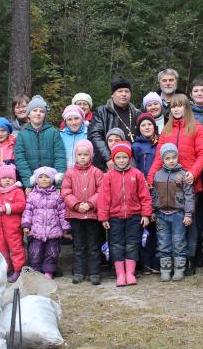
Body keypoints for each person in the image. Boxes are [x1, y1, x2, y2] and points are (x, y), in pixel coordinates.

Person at [147, 94, 203, 274]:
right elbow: (159, 157)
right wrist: (150, 178)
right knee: (168, 225)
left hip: (187, 183)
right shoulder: (166, 130)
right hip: (166, 186)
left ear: (186, 107)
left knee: (188, 222)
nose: (176, 109)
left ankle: (189, 258)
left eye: (179, 105)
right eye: (173, 106)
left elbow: (202, 154)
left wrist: (193, 173)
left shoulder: (196, 128)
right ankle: (170, 260)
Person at [98, 142, 152, 287]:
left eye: (124, 157)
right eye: (118, 157)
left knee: (132, 244)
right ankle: (120, 274)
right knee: (116, 245)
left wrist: (146, 214)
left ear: (129, 158)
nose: (121, 160)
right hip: (115, 217)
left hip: (134, 217)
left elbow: (145, 196)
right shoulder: (108, 176)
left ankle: (130, 273)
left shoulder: (137, 174)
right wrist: (103, 217)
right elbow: (103, 197)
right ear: (113, 159)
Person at [62, 140, 105, 284]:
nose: (82, 157)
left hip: (92, 215)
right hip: (76, 215)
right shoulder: (69, 173)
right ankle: (79, 271)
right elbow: (66, 192)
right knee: (79, 245)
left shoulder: (97, 172)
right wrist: (76, 204)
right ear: (75, 155)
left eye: (85, 154)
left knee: (93, 245)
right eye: (79, 154)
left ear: (91, 156)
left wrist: (91, 204)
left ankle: (94, 272)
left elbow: (101, 190)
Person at [151, 142, 195, 281]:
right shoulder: (157, 175)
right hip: (161, 214)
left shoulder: (183, 175)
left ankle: (179, 269)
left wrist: (188, 214)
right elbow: (153, 195)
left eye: (173, 157)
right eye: (167, 158)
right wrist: (152, 210)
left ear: (178, 157)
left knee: (178, 240)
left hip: (178, 214)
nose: (171, 160)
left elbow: (189, 196)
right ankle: (165, 269)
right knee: (163, 241)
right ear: (162, 159)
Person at [22, 167, 69, 280]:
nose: (44, 179)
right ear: (36, 180)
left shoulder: (57, 196)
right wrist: (26, 225)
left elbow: (62, 212)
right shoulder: (32, 195)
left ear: (53, 179)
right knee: (35, 252)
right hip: (36, 230)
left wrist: (65, 227)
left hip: (53, 230)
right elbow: (27, 211)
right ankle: (36, 270)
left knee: (52, 252)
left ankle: (48, 271)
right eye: (41, 177)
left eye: (47, 177)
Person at [89, 77, 141, 170]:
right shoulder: (102, 112)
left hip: (133, 164)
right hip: (108, 164)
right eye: (120, 91)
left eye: (127, 91)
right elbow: (94, 135)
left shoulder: (137, 113)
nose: (124, 94)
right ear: (112, 95)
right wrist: (108, 158)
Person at [15, 95, 66, 188]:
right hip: (32, 184)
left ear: (45, 115)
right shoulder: (22, 135)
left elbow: (60, 157)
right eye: (35, 110)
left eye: (41, 111)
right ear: (29, 114)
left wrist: (58, 183)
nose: (38, 113)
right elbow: (20, 160)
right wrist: (28, 182)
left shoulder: (53, 132)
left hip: (51, 183)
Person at [0, 164, 26, 281]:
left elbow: (21, 205)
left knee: (15, 247)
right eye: (4, 178)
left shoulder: (17, 191)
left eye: (10, 178)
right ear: (0, 179)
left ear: (14, 179)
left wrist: (6, 208)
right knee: (0, 247)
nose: (7, 180)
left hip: (13, 227)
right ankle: (6, 269)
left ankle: (18, 270)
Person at [133, 113, 159, 273]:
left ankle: (155, 260)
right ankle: (144, 261)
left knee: (157, 226)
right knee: (144, 226)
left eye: (149, 124)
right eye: (143, 125)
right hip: (142, 188)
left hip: (159, 188)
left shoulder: (161, 143)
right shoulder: (135, 146)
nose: (147, 127)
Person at [60, 104, 88, 170]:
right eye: (69, 119)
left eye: (76, 118)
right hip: (65, 174)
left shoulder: (88, 134)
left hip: (84, 174)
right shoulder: (60, 135)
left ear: (82, 119)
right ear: (65, 122)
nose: (74, 122)